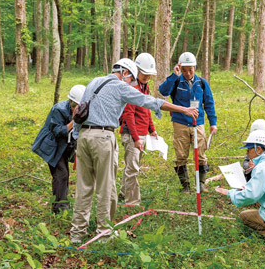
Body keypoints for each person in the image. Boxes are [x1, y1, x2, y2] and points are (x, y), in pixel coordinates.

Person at [70, 58, 199, 244]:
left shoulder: (93, 82)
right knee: (106, 188)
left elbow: (78, 113)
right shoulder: (120, 86)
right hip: (103, 138)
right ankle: (103, 234)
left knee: (84, 187)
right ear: (125, 73)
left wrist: (76, 137)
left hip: (83, 137)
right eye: (131, 80)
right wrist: (183, 109)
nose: (131, 84)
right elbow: (150, 102)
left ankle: (77, 233)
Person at [159, 52, 217, 194]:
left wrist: (212, 123)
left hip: (198, 123)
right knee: (181, 155)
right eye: (184, 69)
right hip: (180, 123)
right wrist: (174, 75)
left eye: (190, 69)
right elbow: (163, 91)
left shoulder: (202, 83)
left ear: (195, 67)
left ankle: (201, 184)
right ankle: (185, 186)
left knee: (201, 154)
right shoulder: (176, 81)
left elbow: (209, 103)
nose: (187, 73)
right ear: (180, 68)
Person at [32, 85, 86, 214]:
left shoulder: (84, 110)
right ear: (70, 102)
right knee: (61, 175)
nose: (76, 109)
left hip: (66, 146)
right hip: (53, 146)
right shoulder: (59, 109)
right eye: (74, 106)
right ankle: (59, 209)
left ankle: (62, 204)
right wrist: (74, 121)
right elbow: (57, 131)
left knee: (64, 175)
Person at [119, 53, 158, 205]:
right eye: (145, 74)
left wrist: (151, 129)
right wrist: (135, 138)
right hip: (131, 134)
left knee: (131, 166)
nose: (147, 77)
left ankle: (123, 192)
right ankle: (132, 202)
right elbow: (128, 114)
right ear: (137, 70)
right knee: (133, 169)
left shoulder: (145, 87)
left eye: (149, 75)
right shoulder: (131, 88)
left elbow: (147, 108)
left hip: (142, 133)